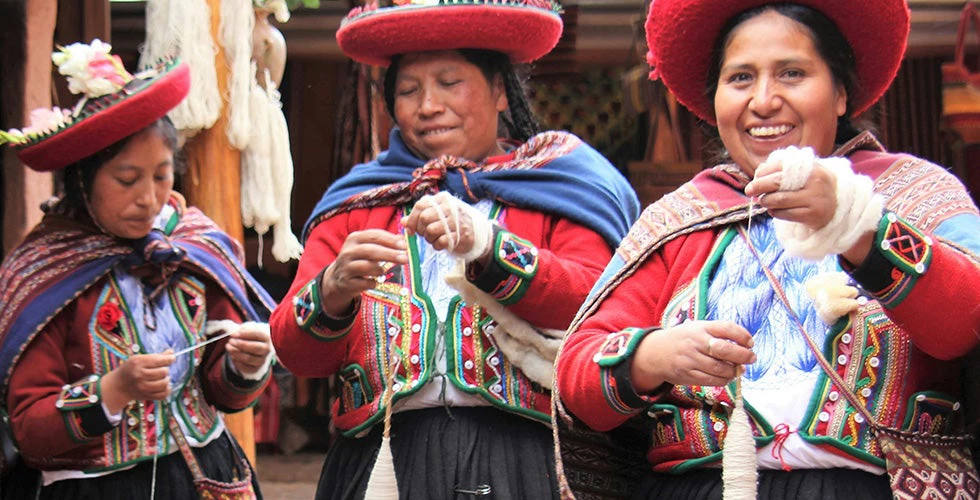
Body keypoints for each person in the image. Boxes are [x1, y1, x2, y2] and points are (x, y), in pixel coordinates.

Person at [556, 0, 980, 498]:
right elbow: (577, 374)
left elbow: (967, 321)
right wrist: (651, 356)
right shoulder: (680, 219)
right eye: (740, 79)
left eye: (792, 73)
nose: (763, 100)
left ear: (842, 93)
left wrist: (858, 226)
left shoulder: (912, 193)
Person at [267, 1, 640, 498]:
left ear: (501, 90)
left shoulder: (563, 188)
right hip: (380, 463)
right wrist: (332, 289)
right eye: (408, 90)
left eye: (449, 82)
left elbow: (598, 306)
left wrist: (488, 249)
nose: (427, 106)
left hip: (523, 458)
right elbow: (297, 352)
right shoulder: (357, 202)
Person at [0, 40, 276, 500]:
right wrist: (113, 389)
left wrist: (246, 366)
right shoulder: (45, 272)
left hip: (206, 478)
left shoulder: (192, 248)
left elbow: (225, 395)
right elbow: (28, 429)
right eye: (127, 180)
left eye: (162, 176)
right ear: (83, 182)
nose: (149, 197)